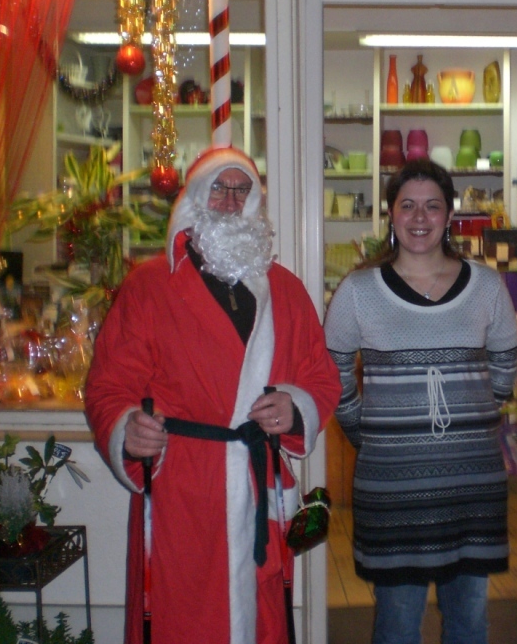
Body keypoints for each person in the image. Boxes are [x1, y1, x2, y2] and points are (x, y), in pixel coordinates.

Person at [84, 145, 341, 644]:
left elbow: (321, 377)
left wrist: (295, 408)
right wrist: (125, 428)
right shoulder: (149, 286)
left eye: (241, 190)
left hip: (257, 484)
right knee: (183, 619)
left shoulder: (286, 290)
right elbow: (108, 384)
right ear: (195, 198)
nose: (229, 202)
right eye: (218, 189)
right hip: (181, 488)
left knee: (261, 616)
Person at [324, 158, 517, 644]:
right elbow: (332, 371)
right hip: (394, 491)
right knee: (396, 625)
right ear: (390, 214)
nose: (419, 217)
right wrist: (367, 433)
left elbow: (505, 365)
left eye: (432, 206)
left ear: (449, 215)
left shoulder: (486, 287)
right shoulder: (359, 291)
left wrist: (471, 421)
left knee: (469, 624)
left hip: (471, 487)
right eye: (407, 205)